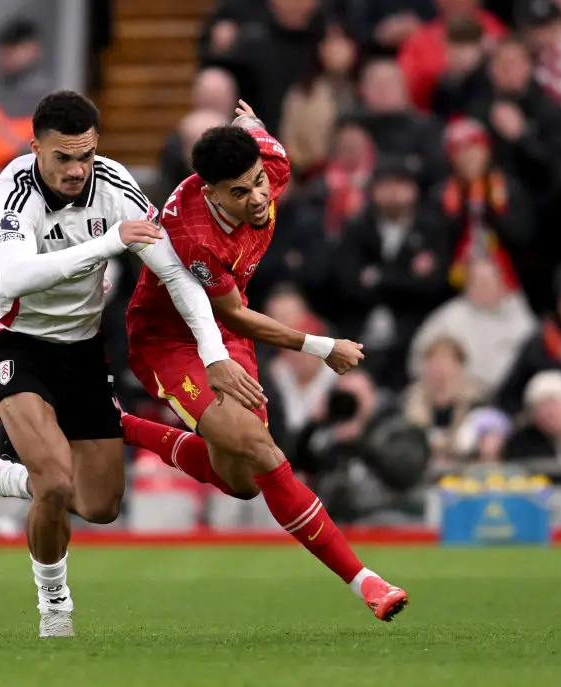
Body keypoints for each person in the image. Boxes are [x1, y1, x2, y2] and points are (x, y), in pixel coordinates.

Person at [0, 90, 262, 639]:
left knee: (100, 504)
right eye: (63, 157)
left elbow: (175, 275)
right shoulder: (13, 188)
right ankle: (55, 608)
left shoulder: (116, 186)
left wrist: (213, 354)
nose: (77, 170)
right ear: (36, 149)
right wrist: (108, 244)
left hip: (83, 349)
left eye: (86, 156)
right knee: (54, 483)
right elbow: (17, 276)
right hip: (14, 342)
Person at [122, 101, 408, 622]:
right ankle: (365, 581)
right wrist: (324, 347)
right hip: (170, 343)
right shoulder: (191, 236)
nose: (258, 197)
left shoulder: (271, 164)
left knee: (242, 481)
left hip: (226, 333)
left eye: (258, 182)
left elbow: (257, 137)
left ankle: (118, 422)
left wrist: (248, 124)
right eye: (240, 192)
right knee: (262, 449)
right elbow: (238, 314)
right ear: (209, 192)